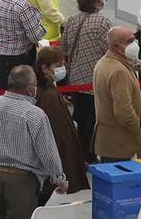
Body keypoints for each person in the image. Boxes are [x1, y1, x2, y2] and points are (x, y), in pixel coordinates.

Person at [0, 65, 67, 217]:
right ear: (30, 89)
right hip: (21, 182)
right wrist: (59, 179)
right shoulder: (35, 115)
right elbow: (47, 151)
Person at [60, 0, 109, 163]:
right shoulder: (102, 22)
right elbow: (110, 49)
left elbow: (63, 47)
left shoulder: (72, 19)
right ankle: (89, 154)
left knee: (80, 116)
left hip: (75, 78)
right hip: (94, 79)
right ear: (97, 2)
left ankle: (78, 151)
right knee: (93, 119)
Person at [33, 46, 89, 199]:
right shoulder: (48, 95)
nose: (62, 69)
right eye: (58, 65)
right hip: (57, 159)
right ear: (45, 67)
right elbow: (56, 132)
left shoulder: (44, 89)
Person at [93, 26, 141, 162]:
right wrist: (138, 129)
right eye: (130, 41)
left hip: (108, 141)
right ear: (117, 46)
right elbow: (123, 111)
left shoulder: (104, 62)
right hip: (120, 143)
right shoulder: (119, 72)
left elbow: (130, 63)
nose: (134, 45)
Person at [0, 0, 45, 90]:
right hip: (17, 59)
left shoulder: (2, 0)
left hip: (0, 56)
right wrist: (40, 24)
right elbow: (35, 36)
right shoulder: (22, 5)